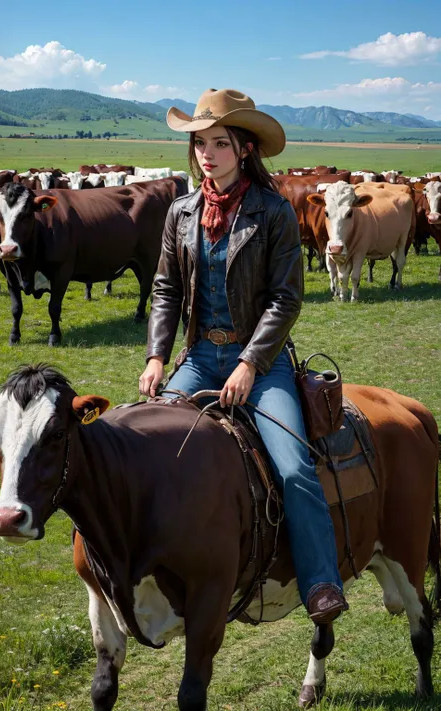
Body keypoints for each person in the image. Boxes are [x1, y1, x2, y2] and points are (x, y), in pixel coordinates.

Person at [139, 88, 348, 624]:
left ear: (245, 149)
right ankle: (154, 568)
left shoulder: (274, 212)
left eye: (219, 143)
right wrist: (157, 357)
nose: (207, 154)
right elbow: (165, 289)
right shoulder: (181, 213)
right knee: (143, 449)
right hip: (196, 358)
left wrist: (250, 363)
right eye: (200, 143)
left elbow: (286, 299)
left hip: (263, 361)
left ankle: (321, 580)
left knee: (293, 466)